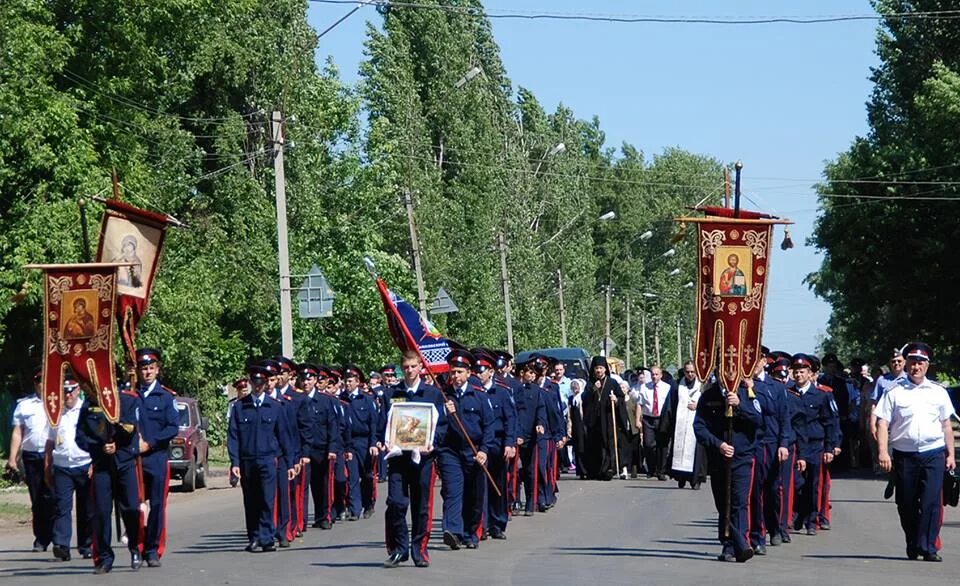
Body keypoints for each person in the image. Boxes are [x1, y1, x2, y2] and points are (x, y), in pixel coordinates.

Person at [876, 342, 955, 562]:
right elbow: (882, 423)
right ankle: (912, 541)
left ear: (927, 365)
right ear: (906, 364)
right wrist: (883, 452)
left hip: (933, 453)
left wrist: (950, 455)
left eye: (920, 362)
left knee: (931, 502)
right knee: (906, 503)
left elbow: (946, 424)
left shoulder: (938, 392)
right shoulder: (894, 392)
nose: (916, 366)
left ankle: (928, 546)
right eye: (912, 362)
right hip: (904, 455)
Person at [380, 350, 447, 568]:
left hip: (423, 459)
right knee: (396, 503)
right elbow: (384, 423)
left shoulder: (433, 394)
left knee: (421, 506)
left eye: (413, 366)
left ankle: (419, 550)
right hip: (398, 458)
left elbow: (442, 425)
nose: (409, 371)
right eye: (406, 367)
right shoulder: (392, 394)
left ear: (421, 367)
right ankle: (399, 549)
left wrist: (432, 443)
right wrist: (383, 441)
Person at [693, 376, 762, 563]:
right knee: (723, 502)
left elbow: (758, 420)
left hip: (742, 456)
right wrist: (718, 444)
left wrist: (740, 406)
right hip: (718, 458)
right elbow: (699, 427)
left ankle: (739, 544)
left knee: (739, 501)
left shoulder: (746, 393)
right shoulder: (708, 396)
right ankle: (728, 542)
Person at [76, 381, 143, 573]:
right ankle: (105, 557)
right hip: (102, 465)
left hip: (124, 462)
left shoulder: (128, 400)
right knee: (101, 513)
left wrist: (118, 444)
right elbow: (80, 436)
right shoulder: (89, 404)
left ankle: (135, 549)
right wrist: (98, 447)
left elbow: (131, 428)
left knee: (131, 508)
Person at [228, 362, 295, 553]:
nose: (257, 385)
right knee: (251, 501)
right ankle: (254, 537)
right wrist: (235, 462)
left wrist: (289, 463)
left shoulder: (275, 406)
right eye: (254, 381)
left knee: (267, 499)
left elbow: (284, 436)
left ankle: (266, 538)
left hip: (268, 459)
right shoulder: (240, 407)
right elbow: (233, 436)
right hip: (248, 460)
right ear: (250, 382)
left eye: (260, 382)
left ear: (266, 383)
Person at [436, 349, 495, 550]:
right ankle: (453, 531)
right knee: (453, 491)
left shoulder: (478, 395)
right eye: (453, 372)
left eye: (459, 372)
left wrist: (484, 450)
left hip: (475, 451)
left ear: (468, 373)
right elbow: (435, 424)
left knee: (474, 495)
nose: (456, 376)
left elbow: (489, 425)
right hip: (450, 451)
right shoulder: (443, 396)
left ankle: (472, 533)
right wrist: (445, 411)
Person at [135, 347, 180, 567]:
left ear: (157, 370)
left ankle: (152, 549)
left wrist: (151, 443)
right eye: (143, 369)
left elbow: (173, 427)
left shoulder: (165, 397)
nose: (147, 373)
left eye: (151, 368)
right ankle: (137, 546)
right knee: (133, 505)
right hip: (133, 460)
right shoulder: (129, 395)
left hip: (156, 458)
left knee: (157, 505)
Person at [787, 353, 837, 536]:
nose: (799, 375)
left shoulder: (821, 395)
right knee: (797, 483)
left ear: (810, 373)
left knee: (814, 484)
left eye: (802, 371)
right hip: (796, 445)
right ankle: (797, 515)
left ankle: (812, 520)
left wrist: (830, 447)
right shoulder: (788, 394)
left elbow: (830, 422)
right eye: (796, 372)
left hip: (816, 445)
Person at [6, 365, 54, 552]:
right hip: (32, 456)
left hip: (53, 456)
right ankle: (41, 538)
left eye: (45, 380)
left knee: (53, 497)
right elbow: (18, 432)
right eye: (39, 381)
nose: (42, 384)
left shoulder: (57, 403)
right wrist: (12, 458)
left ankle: (56, 536)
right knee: (37, 499)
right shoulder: (24, 405)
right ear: (35, 384)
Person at [45, 374, 92, 562]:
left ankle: (86, 545)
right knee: (61, 507)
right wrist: (47, 466)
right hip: (63, 465)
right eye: (65, 391)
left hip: (84, 463)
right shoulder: (56, 413)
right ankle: (61, 545)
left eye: (71, 390)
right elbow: (49, 442)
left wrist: (94, 464)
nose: (68, 395)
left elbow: (96, 440)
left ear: (78, 390)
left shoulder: (87, 410)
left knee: (86, 508)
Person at [473, 349, 516, 539]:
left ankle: (497, 523)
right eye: (476, 370)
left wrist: (509, 443)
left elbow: (510, 420)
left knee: (497, 484)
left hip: (498, 444)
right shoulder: (473, 392)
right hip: (479, 444)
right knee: (480, 485)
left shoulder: (503, 391)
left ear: (491, 371)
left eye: (482, 370)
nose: (478, 374)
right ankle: (481, 524)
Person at [304, 365, 341, 530]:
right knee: (309, 484)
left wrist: (332, 448)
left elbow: (333, 426)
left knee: (324, 484)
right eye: (303, 379)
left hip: (322, 449)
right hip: (305, 450)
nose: (306, 382)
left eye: (310, 379)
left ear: (315, 381)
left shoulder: (326, 400)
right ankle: (309, 518)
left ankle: (325, 516)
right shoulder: (297, 399)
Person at [340, 365, 379, 520]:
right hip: (349, 442)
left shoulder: (366, 398)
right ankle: (355, 509)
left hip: (364, 441)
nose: (347, 383)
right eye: (346, 380)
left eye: (350, 381)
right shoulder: (341, 399)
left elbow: (373, 423)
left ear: (357, 381)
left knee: (367, 475)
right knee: (352, 476)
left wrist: (373, 443)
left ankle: (368, 504)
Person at [581, 356, 629, 481]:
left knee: (608, 443)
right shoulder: (590, 383)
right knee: (596, 444)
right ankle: (596, 470)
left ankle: (609, 468)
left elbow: (622, 399)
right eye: (597, 368)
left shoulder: (612, 383)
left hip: (608, 419)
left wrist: (616, 400)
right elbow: (584, 400)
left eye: (601, 368)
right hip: (594, 421)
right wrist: (593, 390)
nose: (599, 371)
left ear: (605, 369)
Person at [663, 361, 707, 489]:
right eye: (687, 372)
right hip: (680, 425)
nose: (690, 374)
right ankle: (680, 477)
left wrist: (698, 406)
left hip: (697, 425)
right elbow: (670, 405)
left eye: (693, 372)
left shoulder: (703, 386)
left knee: (696, 452)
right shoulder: (677, 385)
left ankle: (695, 479)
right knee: (679, 449)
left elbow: (709, 405)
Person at [636, 365, 671, 480]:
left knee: (662, 445)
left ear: (661, 375)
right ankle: (651, 469)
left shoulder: (667, 388)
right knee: (648, 444)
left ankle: (661, 470)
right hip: (648, 418)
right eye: (652, 374)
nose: (654, 377)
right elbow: (639, 405)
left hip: (662, 419)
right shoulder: (644, 387)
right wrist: (637, 420)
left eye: (657, 374)